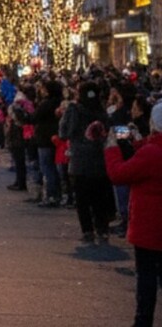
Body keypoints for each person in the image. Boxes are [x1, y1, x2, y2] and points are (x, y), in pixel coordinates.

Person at [104, 102, 162, 327]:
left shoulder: (150, 153)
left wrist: (111, 149)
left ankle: (143, 321)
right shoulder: (149, 150)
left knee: (147, 277)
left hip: (149, 225)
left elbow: (118, 174)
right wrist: (137, 141)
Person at [61, 81, 112, 243]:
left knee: (82, 198)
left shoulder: (74, 109)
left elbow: (64, 132)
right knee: (99, 197)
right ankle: (102, 229)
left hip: (79, 161)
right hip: (100, 159)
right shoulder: (102, 111)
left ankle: (88, 230)